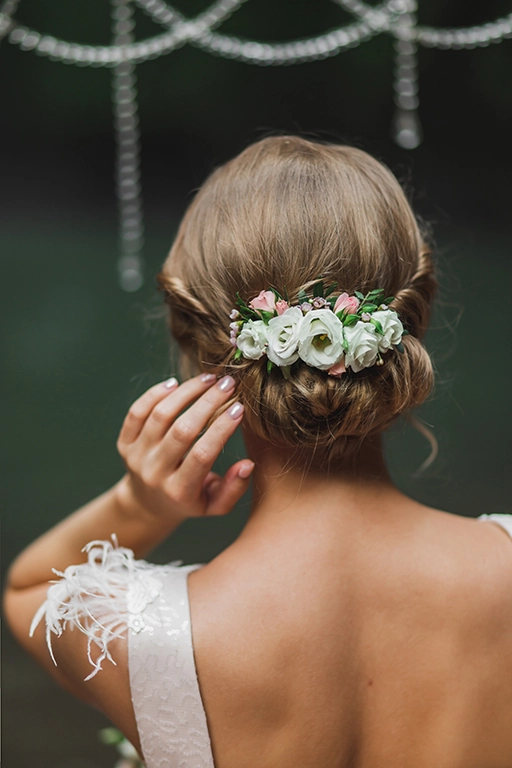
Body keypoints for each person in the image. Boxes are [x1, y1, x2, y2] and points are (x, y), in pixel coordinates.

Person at [4, 136, 511, 768]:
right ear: (411, 322)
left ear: (196, 342)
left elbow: (28, 589)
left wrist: (142, 503)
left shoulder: (152, 639)